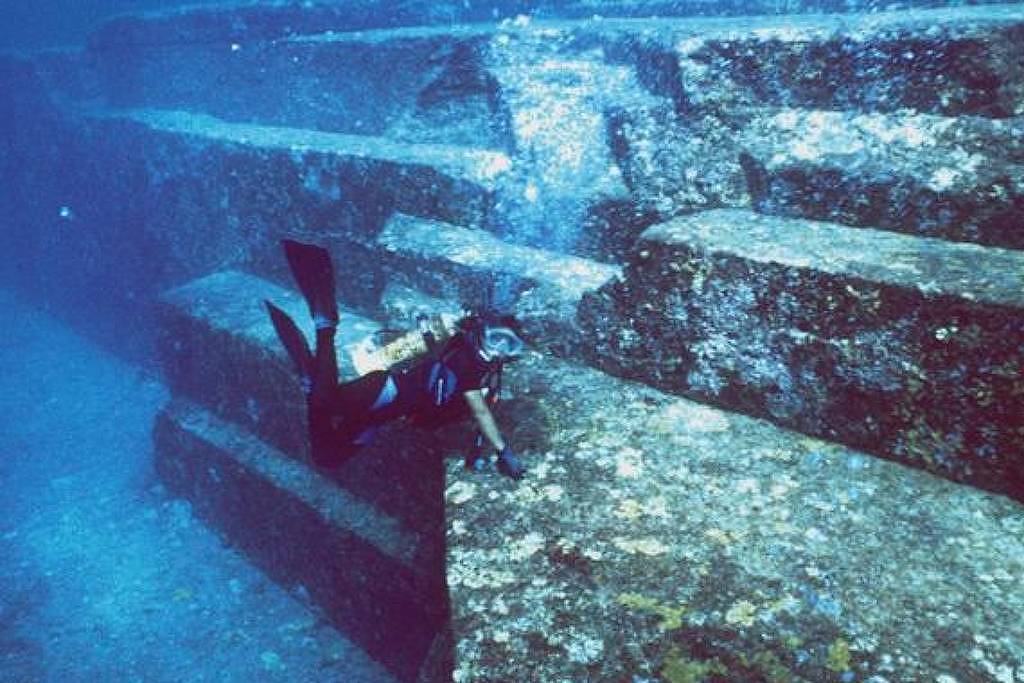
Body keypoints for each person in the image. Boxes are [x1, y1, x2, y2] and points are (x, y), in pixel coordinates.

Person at [263, 239, 527, 480]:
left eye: (509, 345)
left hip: (382, 414)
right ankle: (326, 326)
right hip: (384, 391)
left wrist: (481, 450)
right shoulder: (466, 360)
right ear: (482, 331)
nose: (499, 349)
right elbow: (480, 411)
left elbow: (479, 405)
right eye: (496, 338)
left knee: (328, 457)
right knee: (326, 402)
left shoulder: (485, 369)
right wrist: (503, 450)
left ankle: (312, 380)